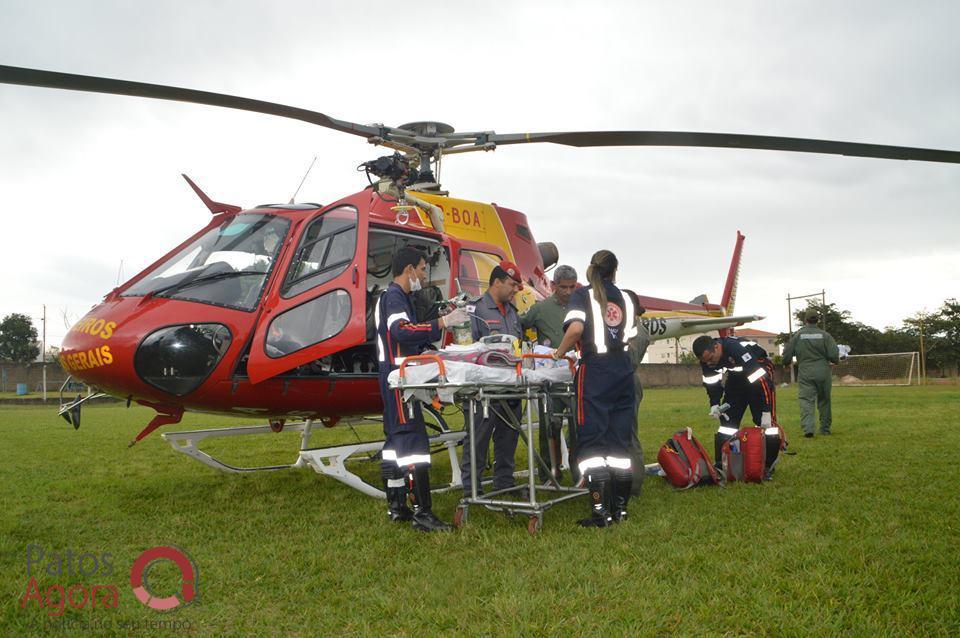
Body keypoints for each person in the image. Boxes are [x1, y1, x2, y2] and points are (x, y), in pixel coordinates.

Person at [376, 247, 468, 531]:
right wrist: (441, 323)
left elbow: (407, 337)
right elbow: (401, 331)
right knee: (413, 443)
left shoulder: (397, 297)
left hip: (395, 378)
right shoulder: (394, 297)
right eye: (422, 269)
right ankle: (422, 513)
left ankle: (398, 505)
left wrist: (431, 349)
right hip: (401, 381)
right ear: (409, 271)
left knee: (395, 444)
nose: (424, 274)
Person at [552, 250, 638, 527]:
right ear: (615, 270)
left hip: (595, 372)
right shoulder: (627, 297)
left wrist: (559, 352)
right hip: (624, 369)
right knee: (619, 441)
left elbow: (576, 329)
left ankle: (600, 512)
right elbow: (632, 336)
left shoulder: (582, 295)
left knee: (591, 440)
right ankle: (620, 510)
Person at [459, 260, 524, 497]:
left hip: (511, 389)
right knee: (478, 440)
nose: (516, 289)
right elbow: (466, 349)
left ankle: (504, 484)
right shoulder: (475, 310)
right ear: (496, 282)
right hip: (483, 391)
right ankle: (471, 489)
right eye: (512, 284)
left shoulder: (514, 313)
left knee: (508, 438)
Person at [691, 334, 782, 479]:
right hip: (737, 377)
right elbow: (712, 382)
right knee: (727, 424)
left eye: (711, 359)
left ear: (717, 347)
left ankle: (767, 466)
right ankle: (721, 465)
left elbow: (760, 378)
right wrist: (714, 404)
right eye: (705, 361)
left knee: (766, 425)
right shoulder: (707, 360)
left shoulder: (735, 348)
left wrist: (766, 409)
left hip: (759, 370)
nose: (709, 363)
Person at [520, 265, 578, 483]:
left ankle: (579, 472)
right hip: (550, 382)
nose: (568, 292)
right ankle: (549, 473)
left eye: (572, 287)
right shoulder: (541, 309)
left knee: (578, 428)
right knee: (548, 427)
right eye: (564, 287)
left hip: (574, 379)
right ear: (553, 286)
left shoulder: (580, 308)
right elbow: (520, 323)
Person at [781, 310, 840, 437]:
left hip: (805, 372)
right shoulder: (825, 335)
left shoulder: (798, 335)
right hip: (823, 372)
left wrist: (786, 363)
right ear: (818, 320)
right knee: (824, 400)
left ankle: (808, 429)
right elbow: (834, 354)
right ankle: (824, 429)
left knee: (806, 400)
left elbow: (787, 352)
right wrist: (835, 361)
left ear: (805, 320)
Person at [625, 296, 650, 496]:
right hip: (629, 381)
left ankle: (634, 484)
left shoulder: (635, 331)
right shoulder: (635, 328)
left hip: (626, 382)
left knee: (628, 434)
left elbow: (629, 360)